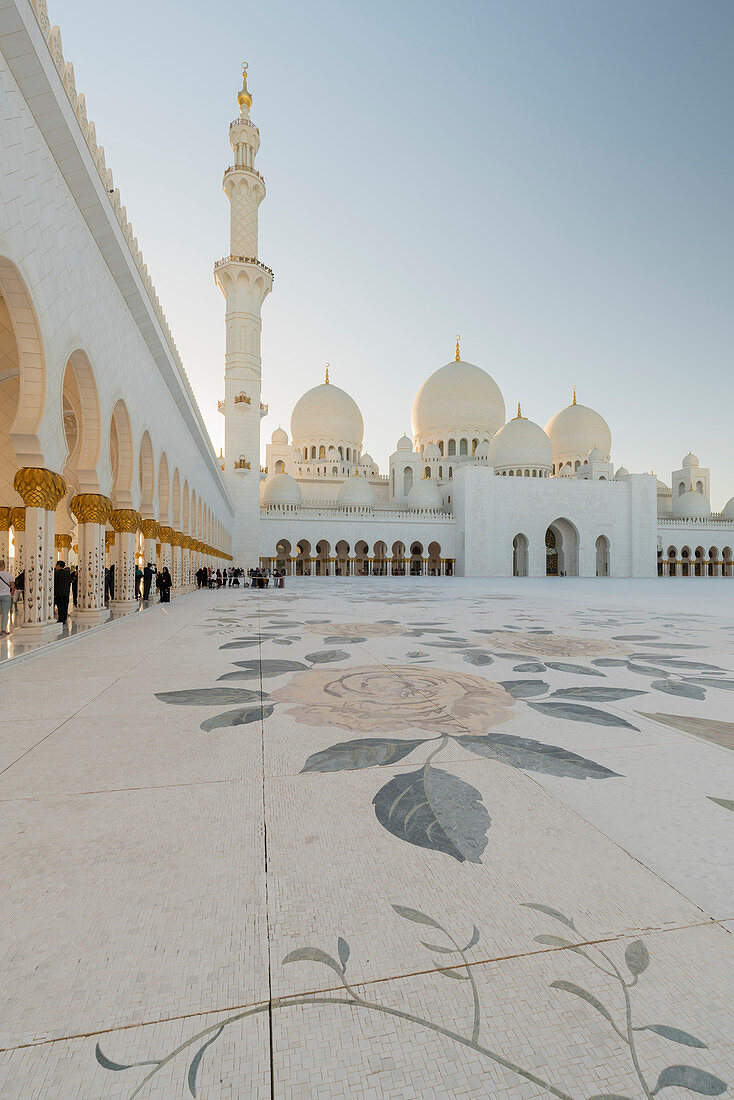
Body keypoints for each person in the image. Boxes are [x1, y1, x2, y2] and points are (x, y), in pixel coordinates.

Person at [53, 559, 73, 624]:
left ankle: (61, 619)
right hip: (66, 592)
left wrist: (54, 593)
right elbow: (70, 582)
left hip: (59, 593)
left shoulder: (56, 574)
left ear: (58, 566)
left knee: (60, 606)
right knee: (65, 606)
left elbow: (55, 584)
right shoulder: (67, 573)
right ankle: (64, 619)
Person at [0, 558, 14, 635]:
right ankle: (3, 630)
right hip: (6, 595)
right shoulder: (8, 574)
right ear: (4, 566)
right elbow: (12, 585)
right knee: (5, 613)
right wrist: (11, 592)